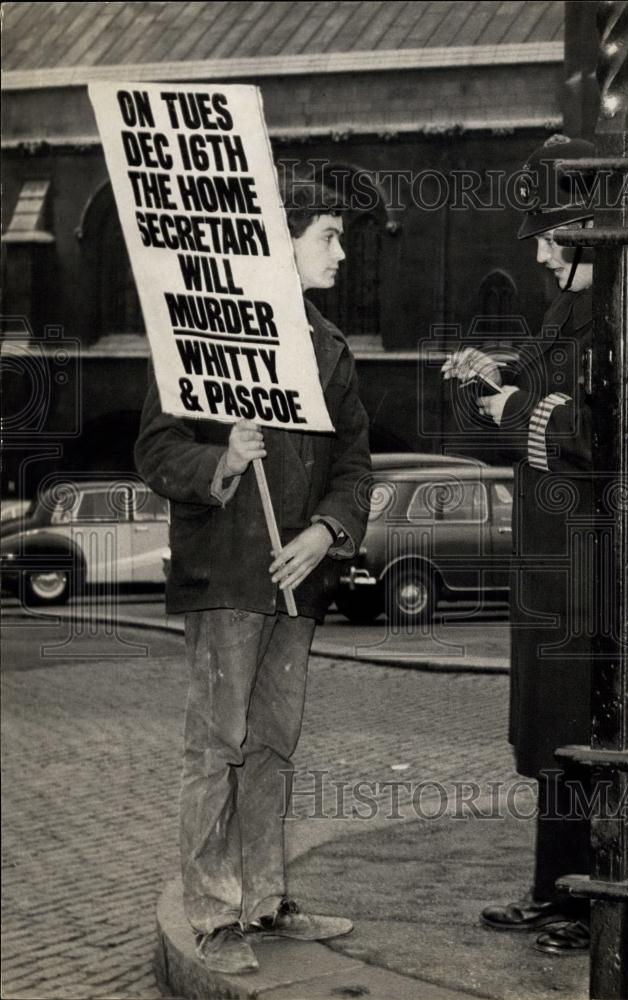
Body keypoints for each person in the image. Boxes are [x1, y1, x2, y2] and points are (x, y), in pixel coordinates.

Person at [135, 180, 371, 975]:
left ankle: (264, 900)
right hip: (229, 574)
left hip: (295, 578)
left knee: (273, 744)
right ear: (280, 243)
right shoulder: (202, 337)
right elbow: (158, 450)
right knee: (217, 746)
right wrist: (223, 460)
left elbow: (354, 465)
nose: (341, 252)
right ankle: (209, 912)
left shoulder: (331, 347)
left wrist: (324, 532)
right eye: (328, 237)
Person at [444, 134, 599, 954]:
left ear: (588, 231)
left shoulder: (613, 308)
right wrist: (493, 372)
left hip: (589, 560)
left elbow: (596, 430)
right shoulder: (571, 304)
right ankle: (554, 888)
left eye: (550, 234)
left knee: (580, 729)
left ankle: (593, 901)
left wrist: (510, 407)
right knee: (549, 735)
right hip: (551, 557)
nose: (540, 251)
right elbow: (549, 388)